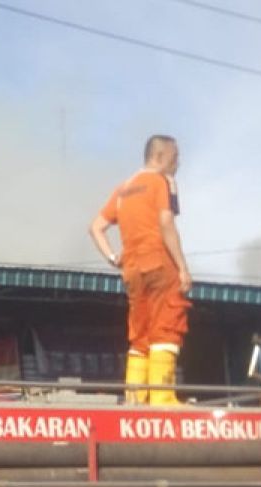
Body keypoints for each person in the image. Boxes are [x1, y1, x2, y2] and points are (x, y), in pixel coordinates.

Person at [90, 134, 193, 405]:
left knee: (140, 336)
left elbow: (96, 228)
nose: (178, 162)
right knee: (166, 327)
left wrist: (114, 257)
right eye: (175, 156)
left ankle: (135, 401)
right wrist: (182, 267)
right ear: (160, 156)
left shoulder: (123, 190)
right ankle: (162, 399)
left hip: (132, 270)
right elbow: (166, 223)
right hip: (159, 262)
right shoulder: (159, 182)